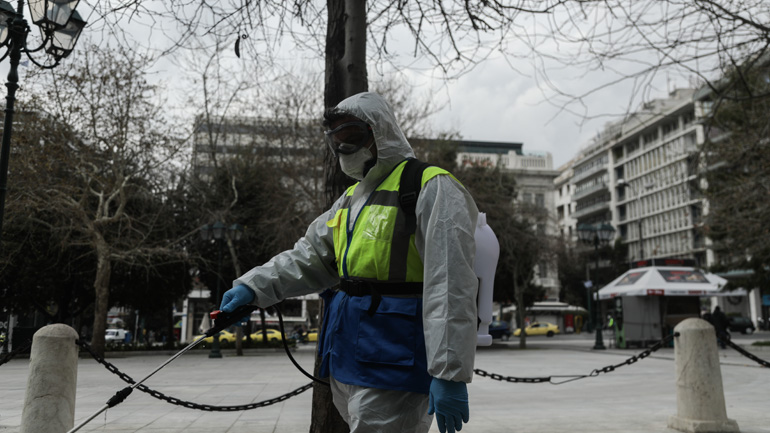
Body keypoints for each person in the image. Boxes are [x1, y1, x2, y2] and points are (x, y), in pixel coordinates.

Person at [219, 92, 479, 433]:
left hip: (396, 354)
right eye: (335, 138)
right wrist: (253, 287)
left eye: (351, 135)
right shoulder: (351, 201)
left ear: (379, 132)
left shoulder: (430, 187)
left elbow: (450, 284)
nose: (342, 146)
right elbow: (309, 256)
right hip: (348, 354)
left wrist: (449, 372)